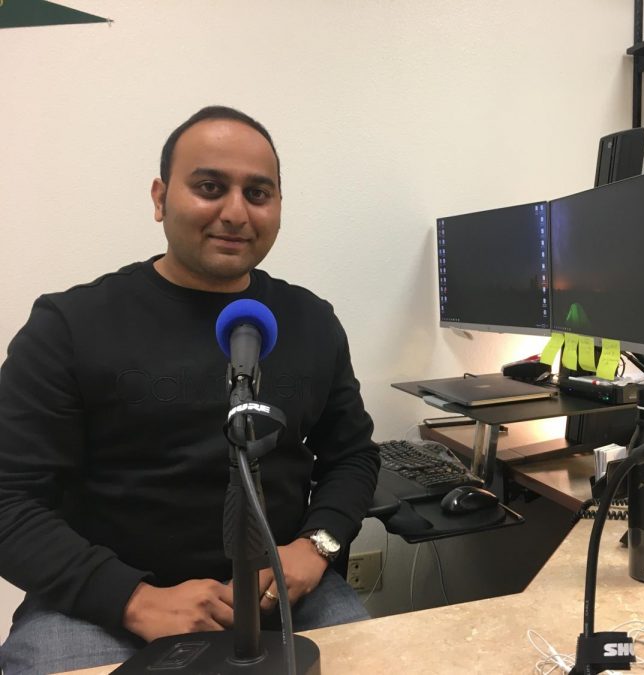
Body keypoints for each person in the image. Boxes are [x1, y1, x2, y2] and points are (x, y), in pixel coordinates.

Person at [0, 106, 381, 674]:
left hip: (281, 592)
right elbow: (9, 497)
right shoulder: (69, 325)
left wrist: (315, 547)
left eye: (258, 193)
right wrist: (133, 600)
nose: (235, 212)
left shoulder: (311, 321)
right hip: (106, 606)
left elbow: (352, 454)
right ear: (160, 198)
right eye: (209, 187)